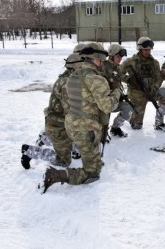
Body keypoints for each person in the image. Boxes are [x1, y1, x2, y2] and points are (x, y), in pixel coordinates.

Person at [40, 42, 122, 193]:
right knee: (93, 172)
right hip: (86, 129)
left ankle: (91, 158)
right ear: (97, 58)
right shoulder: (96, 79)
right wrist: (117, 92)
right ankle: (56, 175)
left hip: (71, 125)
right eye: (101, 59)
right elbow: (108, 106)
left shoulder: (73, 76)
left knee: (92, 156)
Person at [21, 52, 84, 169]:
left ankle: (45, 138)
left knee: (81, 149)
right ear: (76, 67)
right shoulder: (67, 84)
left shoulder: (72, 79)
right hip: (58, 126)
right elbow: (71, 112)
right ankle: (29, 151)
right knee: (64, 161)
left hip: (62, 124)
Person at [119, 37, 165, 130]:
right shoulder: (130, 62)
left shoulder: (154, 63)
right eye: (145, 50)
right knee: (137, 125)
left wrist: (155, 87)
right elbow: (118, 73)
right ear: (139, 49)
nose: (147, 52)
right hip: (137, 94)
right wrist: (128, 79)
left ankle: (159, 122)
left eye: (149, 50)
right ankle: (128, 114)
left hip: (151, 91)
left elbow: (158, 78)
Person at [100, 43, 133, 138]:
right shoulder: (103, 67)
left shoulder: (118, 68)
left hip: (115, 99)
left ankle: (115, 128)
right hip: (104, 101)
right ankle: (102, 133)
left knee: (128, 107)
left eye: (121, 57)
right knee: (104, 114)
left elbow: (118, 81)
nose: (120, 59)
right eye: (118, 56)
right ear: (111, 56)